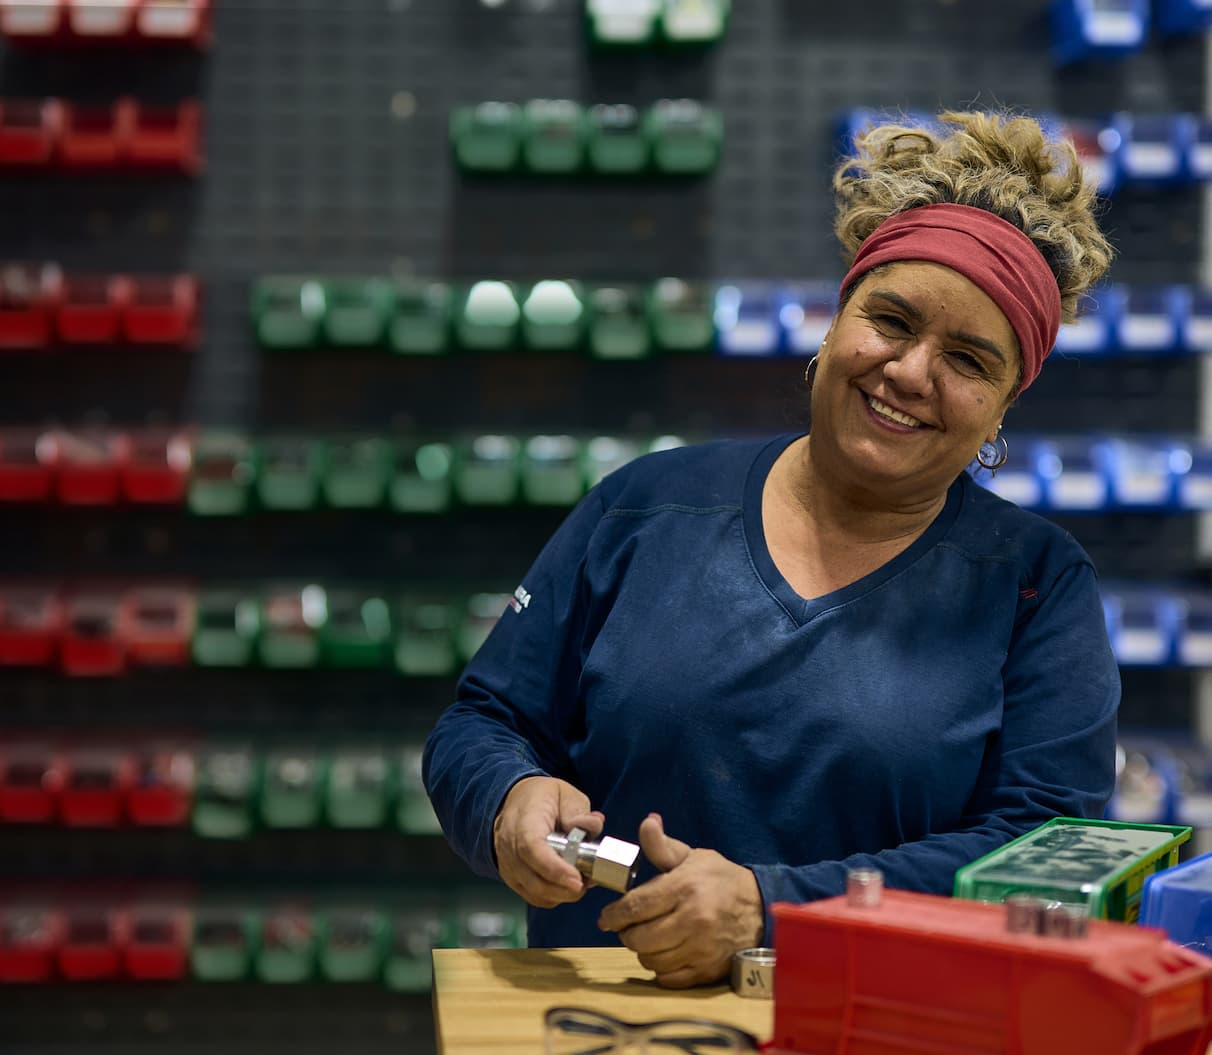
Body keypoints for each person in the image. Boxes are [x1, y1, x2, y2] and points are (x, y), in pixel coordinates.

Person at [422, 110, 1119, 989]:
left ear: (1003, 409)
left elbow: (1044, 855)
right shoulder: (647, 508)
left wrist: (775, 910)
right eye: (891, 320)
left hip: (885, 1025)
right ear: (834, 324)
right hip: (609, 1020)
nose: (909, 370)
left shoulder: (1034, 585)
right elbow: (485, 722)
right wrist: (506, 798)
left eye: (970, 360)